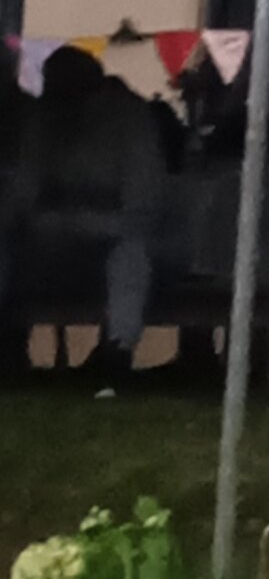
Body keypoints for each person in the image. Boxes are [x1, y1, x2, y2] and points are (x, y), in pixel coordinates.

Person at [2, 44, 170, 383]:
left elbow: (142, 209)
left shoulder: (130, 122)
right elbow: (25, 191)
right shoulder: (44, 119)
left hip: (119, 242)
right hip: (51, 241)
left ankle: (117, 354)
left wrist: (81, 221)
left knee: (130, 258)